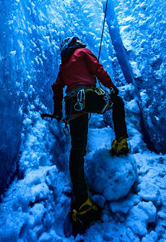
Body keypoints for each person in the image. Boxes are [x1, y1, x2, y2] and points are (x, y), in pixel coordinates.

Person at [52, 36, 129, 227]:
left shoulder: (63, 66)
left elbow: (57, 88)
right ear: (74, 45)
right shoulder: (83, 52)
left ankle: (82, 203)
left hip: (72, 103)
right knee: (117, 102)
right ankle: (120, 141)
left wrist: (57, 111)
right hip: (88, 95)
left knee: (77, 151)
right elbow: (98, 69)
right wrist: (111, 87)